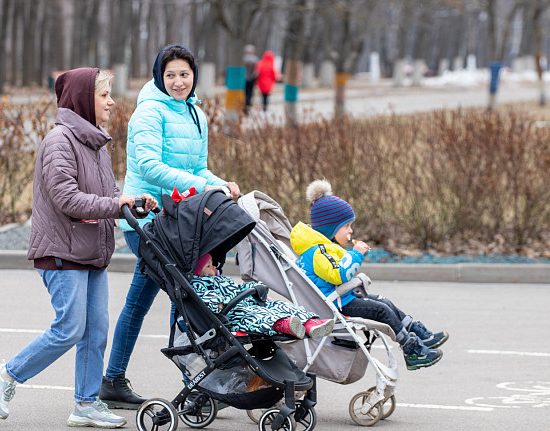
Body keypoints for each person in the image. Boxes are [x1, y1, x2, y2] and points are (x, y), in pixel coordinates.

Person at [0, 68, 157, 429]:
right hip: (62, 253)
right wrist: (115, 203)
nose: (111, 102)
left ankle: (86, 404)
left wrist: (132, 202)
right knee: (70, 328)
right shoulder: (59, 141)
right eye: (104, 95)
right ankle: (6, 375)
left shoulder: (96, 144)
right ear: (82, 99)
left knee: (96, 331)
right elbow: (68, 199)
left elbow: (105, 194)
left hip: (90, 251)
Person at [100, 44, 241, 410]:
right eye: (170, 75)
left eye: (184, 74)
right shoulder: (149, 112)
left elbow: (199, 169)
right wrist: (202, 187)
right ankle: (196, 385)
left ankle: (114, 379)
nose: (178, 82)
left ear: (194, 76)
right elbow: (148, 166)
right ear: (159, 78)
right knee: (184, 295)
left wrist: (221, 183)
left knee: (141, 300)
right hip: (147, 221)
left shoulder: (196, 113)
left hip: (178, 222)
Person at [290, 180, 448, 370]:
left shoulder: (323, 249)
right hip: (336, 305)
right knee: (382, 310)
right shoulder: (318, 252)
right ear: (330, 228)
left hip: (341, 298)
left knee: (384, 302)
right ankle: (411, 350)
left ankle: (417, 332)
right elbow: (339, 274)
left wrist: (350, 255)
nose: (351, 231)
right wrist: (355, 254)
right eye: (346, 226)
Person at [192, 253, 335, 338]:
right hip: (232, 313)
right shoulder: (201, 284)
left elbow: (238, 288)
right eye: (208, 266)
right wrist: (218, 303)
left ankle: (311, 324)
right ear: (199, 272)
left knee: (279, 305)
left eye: (212, 264)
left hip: (245, 302)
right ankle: (283, 325)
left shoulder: (222, 279)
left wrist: (253, 288)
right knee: (258, 315)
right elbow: (206, 297)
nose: (214, 268)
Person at [243, 44, 259, 113]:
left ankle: (244, 107)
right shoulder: (255, 60)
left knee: (244, 94)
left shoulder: (243, 59)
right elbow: (256, 71)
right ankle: (248, 107)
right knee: (249, 94)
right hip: (251, 79)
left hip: (244, 79)